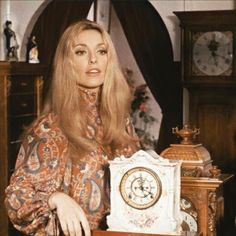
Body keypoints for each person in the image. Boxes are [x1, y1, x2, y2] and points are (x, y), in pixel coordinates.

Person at [5, 20, 140, 236]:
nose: (93, 59)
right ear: (68, 63)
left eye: (101, 51)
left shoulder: (120, 121)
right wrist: (55, 198)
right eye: (80, 52)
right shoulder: (50, 127)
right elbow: (17, 199)